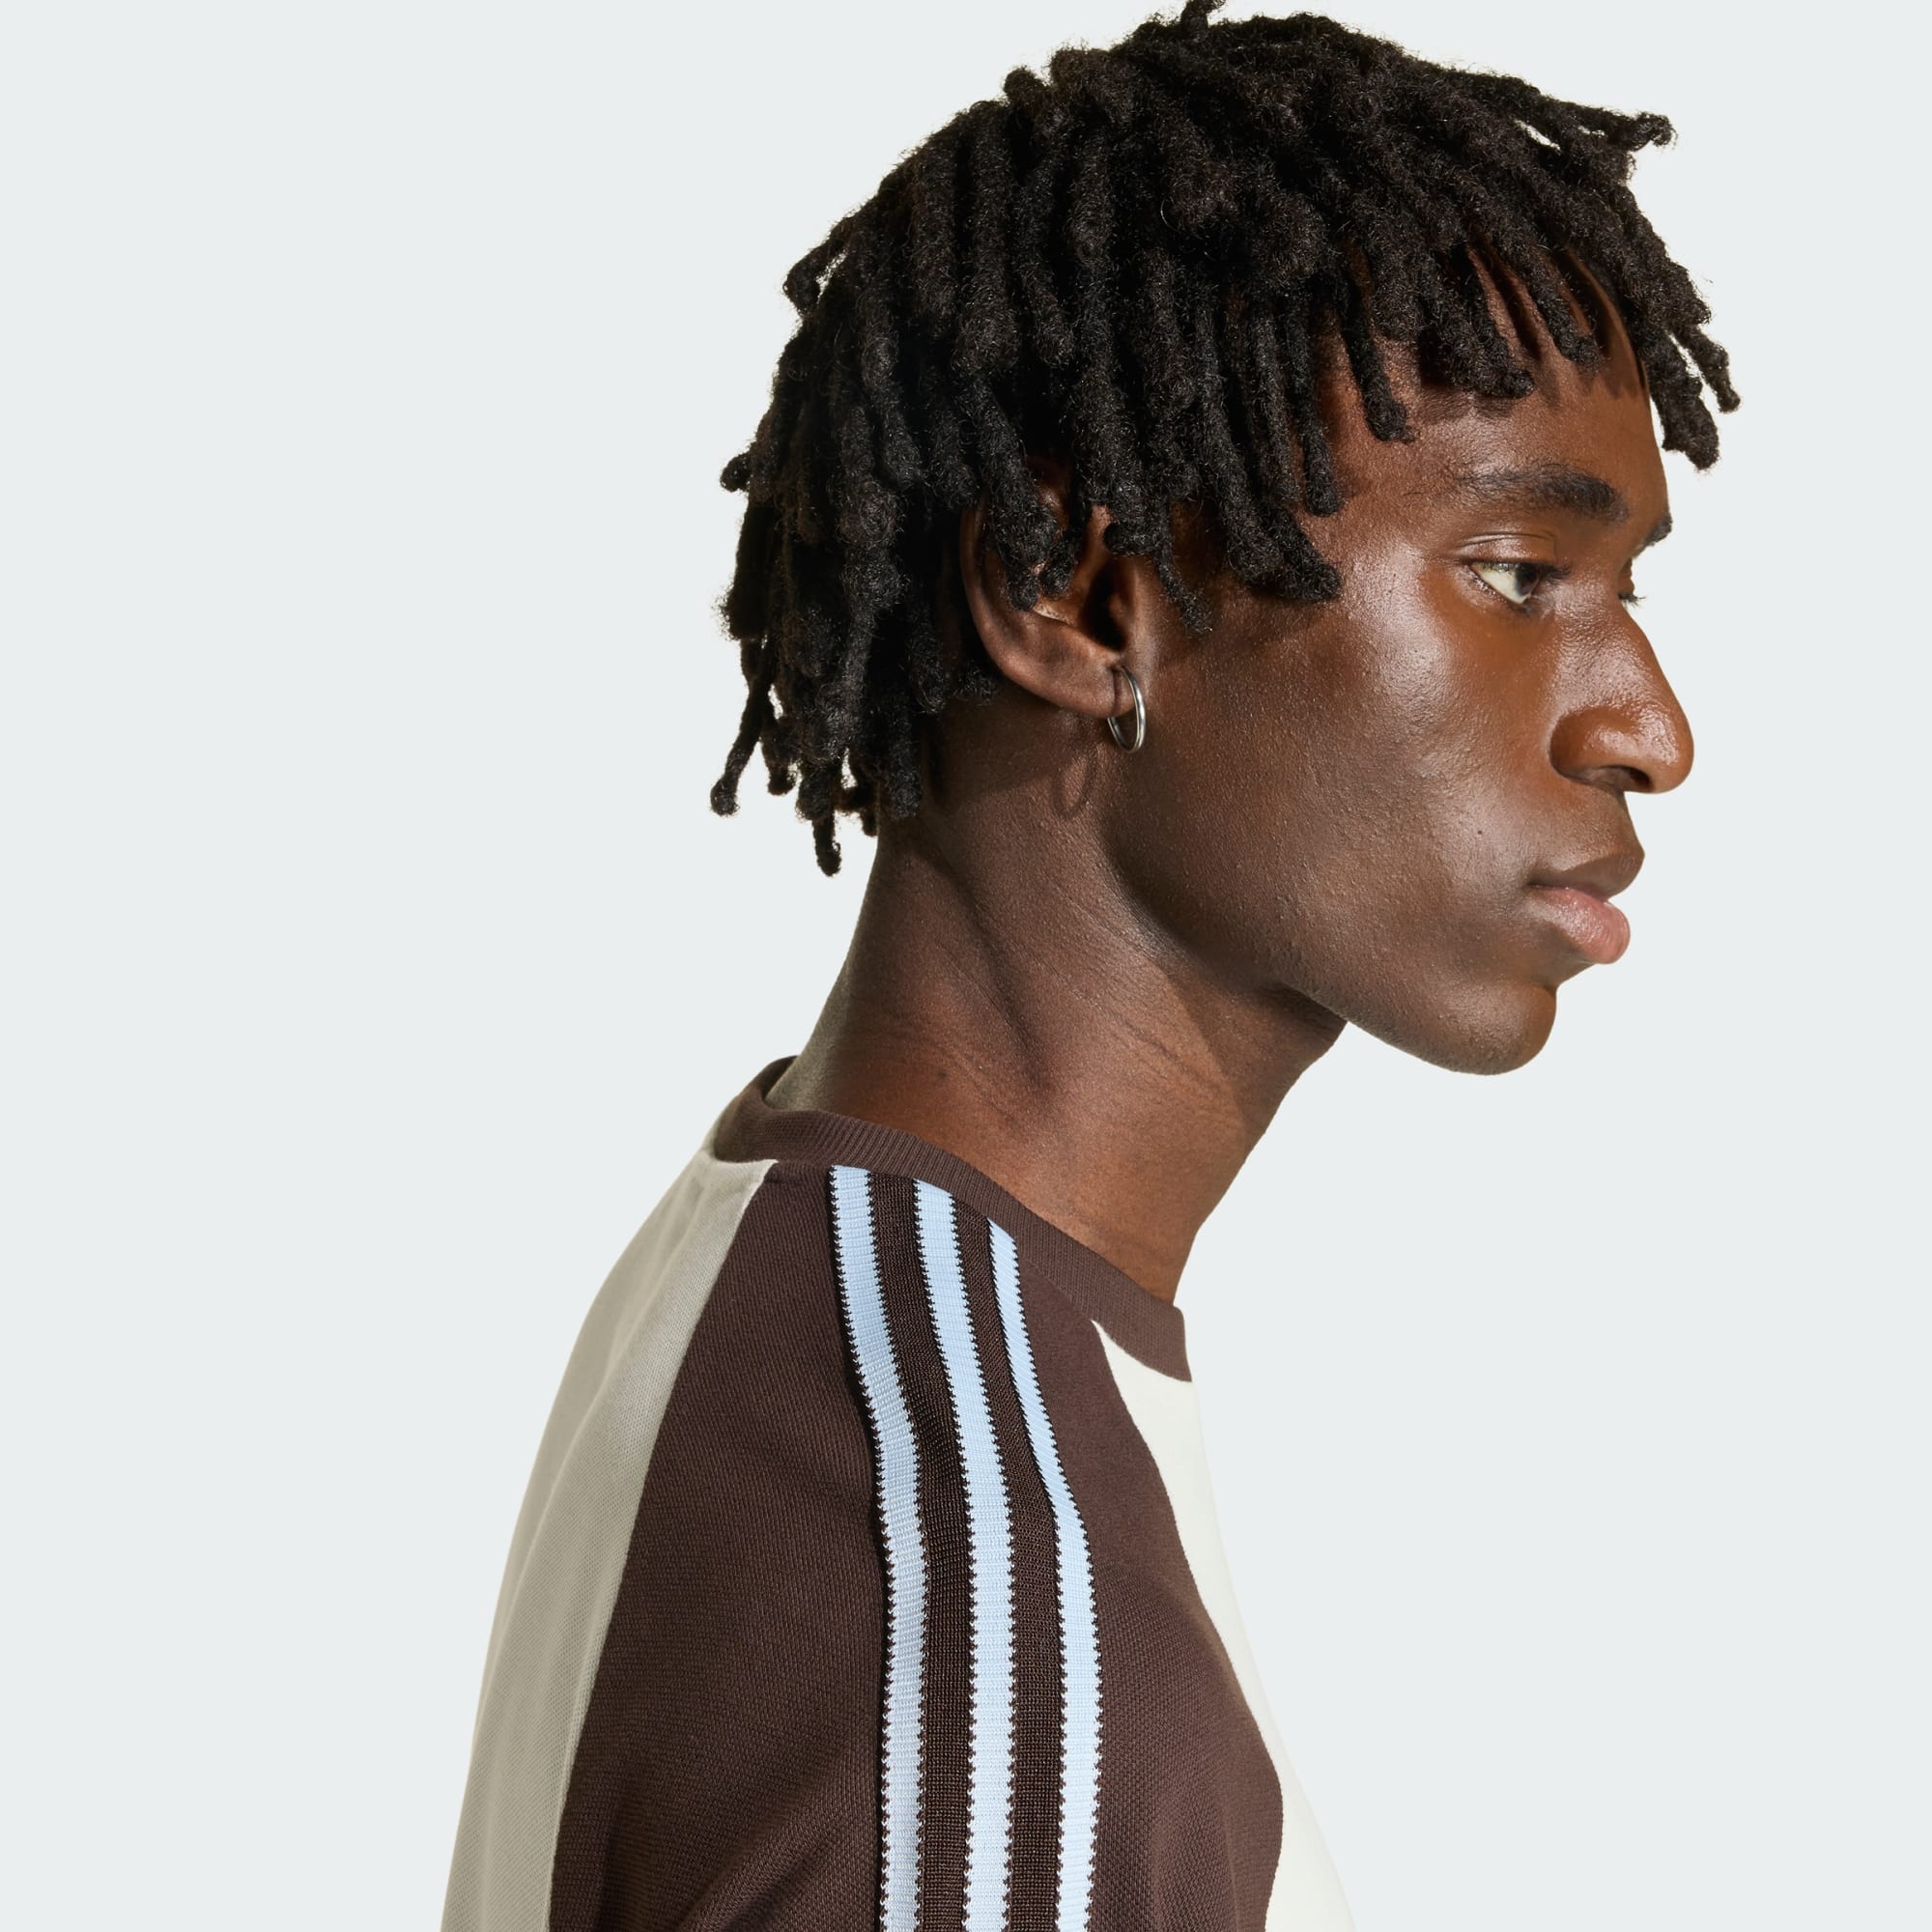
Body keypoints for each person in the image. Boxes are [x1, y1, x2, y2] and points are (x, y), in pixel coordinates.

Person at [440, 5, 1736, 1928]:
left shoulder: (807, 1267)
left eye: (1627, 593)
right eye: (1517, 576)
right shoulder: (976, 1636)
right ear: (1075, 596)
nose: (1647, 726)